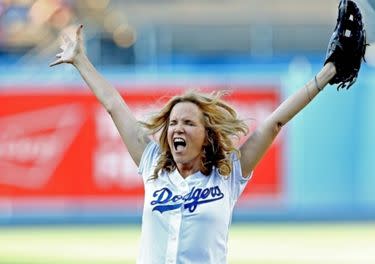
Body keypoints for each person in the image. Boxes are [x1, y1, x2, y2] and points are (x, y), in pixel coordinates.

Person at [49, 1, 366, 262]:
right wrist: (80, 61)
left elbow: (274, 122)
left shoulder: (228, 174)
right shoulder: (151, 166)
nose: (177, 128)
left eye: (188, 122)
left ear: (207, 134)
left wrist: (328, 73)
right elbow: (114, 105)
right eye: (173, 122)